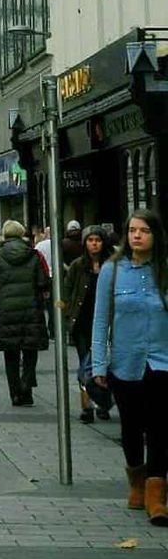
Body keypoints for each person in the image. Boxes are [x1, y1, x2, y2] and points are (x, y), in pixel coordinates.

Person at [92, 208, 168, 525]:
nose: (137, 236)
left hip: (162, 361)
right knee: (132, 427)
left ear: (155, 236)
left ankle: (156, 496)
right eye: (133, 230)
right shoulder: (112, 270)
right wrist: (98, 364)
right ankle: (136, 483)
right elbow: (100, 320)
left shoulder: (164, 269)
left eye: (144, 231)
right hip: (125, 362)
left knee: (161, 428)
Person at [0, 219, 49, 407]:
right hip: (30, 311)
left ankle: (15, 393)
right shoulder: (33, 255)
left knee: (11, 355)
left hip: (5, 312)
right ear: (21, 234)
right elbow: (42, 282)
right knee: (30, 350)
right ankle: (26, 388)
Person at [63, 224, 113, 422]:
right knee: (86, 365)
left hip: (106, 322)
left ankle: (103, 403)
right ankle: (87, 406)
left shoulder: (112, 265)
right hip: (83, 323)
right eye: (91, 241)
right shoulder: (78, 265)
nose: (94, 244)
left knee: (105, 365)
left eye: (98, 240)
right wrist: (67, 314)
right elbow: (67, 290)